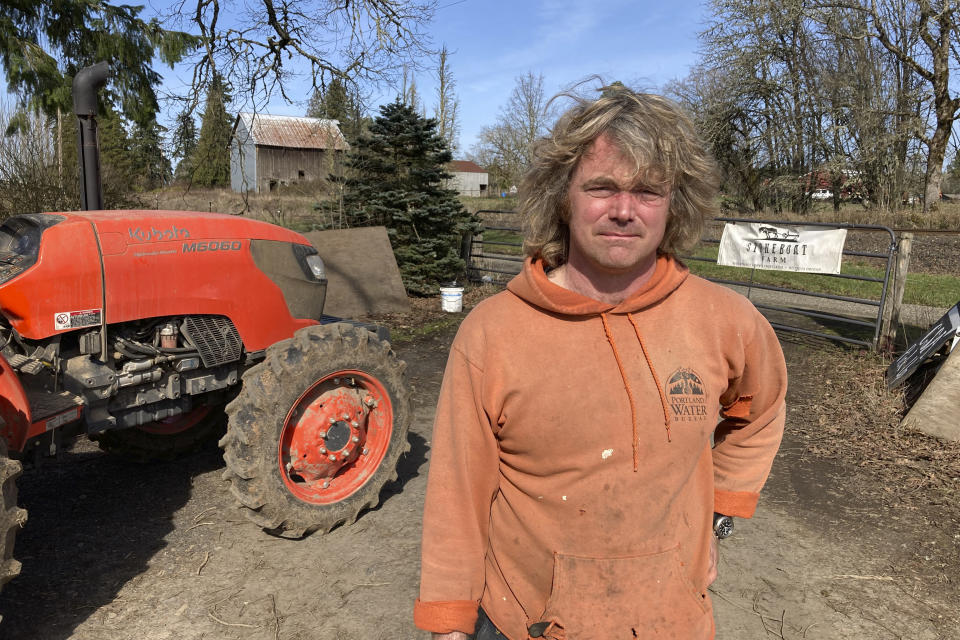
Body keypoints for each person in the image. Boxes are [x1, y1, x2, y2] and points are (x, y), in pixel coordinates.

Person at [414, 84, 787, 640]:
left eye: (647, 192)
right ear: (562, 197)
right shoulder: (492, 333)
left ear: (675, 204)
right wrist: (448, 622)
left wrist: (718, 515)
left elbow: (761, 410)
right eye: (601, 187)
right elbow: (456, 494)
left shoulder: (725, 320)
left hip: (671, 619)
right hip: (528, 620)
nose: (623, 210)